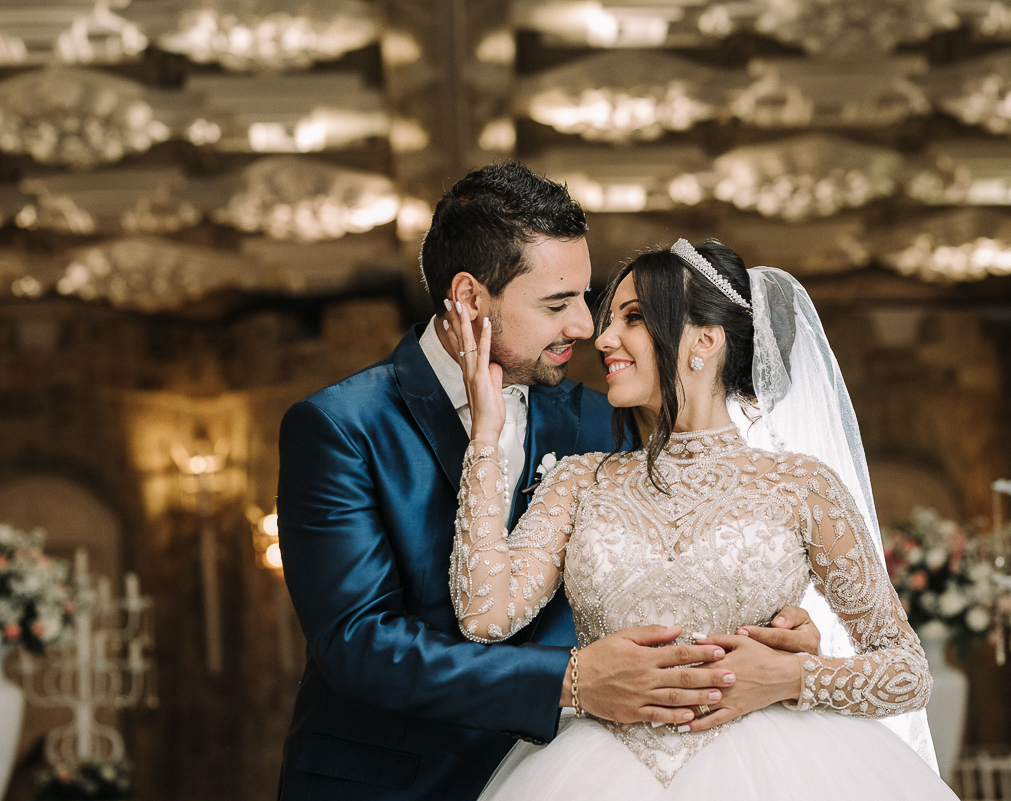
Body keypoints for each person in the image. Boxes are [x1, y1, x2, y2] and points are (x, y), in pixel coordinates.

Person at [275, 162, 820, 800]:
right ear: (471, 299)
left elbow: (668, 562)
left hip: (567, 778)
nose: (586, 329)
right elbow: (359, 643)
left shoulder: (603, 420)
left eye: (585, 301)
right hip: (391, 785)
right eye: (557, 304)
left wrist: (768, 631)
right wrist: (569, 680)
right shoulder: (340, 426)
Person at [444, 238, 957, 799]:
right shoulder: (578, 481)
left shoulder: (799, 486)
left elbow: (907, 671)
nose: (603, 338)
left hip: (774, 772)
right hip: (596, 769)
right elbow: (484, 615)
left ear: (705, 341)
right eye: (609, 319)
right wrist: (486, 438)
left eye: (632, 318)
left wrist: (788, 678)